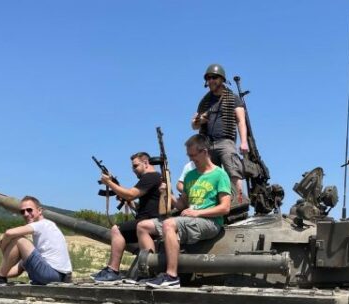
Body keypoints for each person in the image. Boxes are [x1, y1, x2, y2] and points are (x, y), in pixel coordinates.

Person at [135, 134, 231, 288]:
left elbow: (225, 208)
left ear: (205, 152)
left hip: (210, 222)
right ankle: (150, 273)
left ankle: (172, 276)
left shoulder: (220, 175)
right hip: (189, 219)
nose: (191, 159)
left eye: (193, 155)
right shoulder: (190, 176)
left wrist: (197, 213)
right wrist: (168, 194)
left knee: (168, 224)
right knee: (142, 226)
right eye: (189, 155)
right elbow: (181, 205)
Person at [91, 152, 162, 282]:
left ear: (146, 163)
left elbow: (130, 194)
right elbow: (146, 206)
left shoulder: (151, 177)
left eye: (135, 166)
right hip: (148, 219)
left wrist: (109, 183)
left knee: (116, 229)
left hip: (150, 222)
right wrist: (130, 202)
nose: (133, 170)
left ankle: (113, 270)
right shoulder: (154, 178)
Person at [0, 195, 72, 287]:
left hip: (53, 275)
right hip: (60, 276)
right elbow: (18, 268)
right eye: (22, 212)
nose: (26, 214)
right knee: (23, 261)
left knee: (19, 240)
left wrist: (3, 247)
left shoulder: (43, 224)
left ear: (39, 211)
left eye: (29, 210)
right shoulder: (48, 227)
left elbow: (9, 233)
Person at [191, 63, 248, 204]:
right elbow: (194, 125)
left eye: (214, 77)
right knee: (211, 178)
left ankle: (240, 203)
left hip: (225, 142)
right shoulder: (205, 102)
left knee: (233, 172)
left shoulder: (233, 98)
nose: (210, 81)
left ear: (221, 79)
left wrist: (244, 141)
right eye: (208, 78)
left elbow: (241, 121)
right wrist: (198, 121)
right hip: (207, 145)